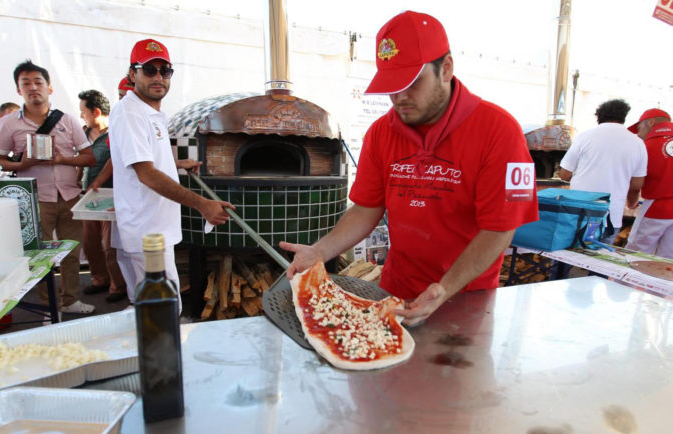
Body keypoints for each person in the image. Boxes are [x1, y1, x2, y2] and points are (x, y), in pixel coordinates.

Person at [280, 11, 539, 326]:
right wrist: (320, 251)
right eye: (391, 85)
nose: (400, 98)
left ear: (445, 68)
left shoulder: (500, 131)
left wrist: (443, 290)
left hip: (466, 298)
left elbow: (499, 229)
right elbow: (366, 208)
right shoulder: (381, 132)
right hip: (394, 293)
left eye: (412, 83)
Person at [109, 38, 233, 306]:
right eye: (149, 70)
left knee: (154, 310)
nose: (158, 77)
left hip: (157, 228)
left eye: (165, 71)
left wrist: (177, 164)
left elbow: (145, 158)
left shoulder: (150, 112)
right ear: (133, 74)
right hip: (147, 232)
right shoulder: (129, 112)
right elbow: (146, 174)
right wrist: (202, 204)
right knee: (163, 311)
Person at [0, 60, 97, 314]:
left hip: (68, 194)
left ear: (49, 88)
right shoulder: (9, 124)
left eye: (38, 82)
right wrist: (23, 163)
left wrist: (62, 159)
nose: (33, 87)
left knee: (72, 251)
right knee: (39, 257)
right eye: (25, 83)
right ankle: (48, 307)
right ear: (18, 90)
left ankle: (70, 301)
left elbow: (89, 157)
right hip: (34, 198)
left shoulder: (68, 120)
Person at [558, 99, 648, 244]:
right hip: (610, 215)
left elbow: (565, 174)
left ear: (598, 116)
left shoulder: (584, 137)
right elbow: (637, 184)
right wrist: (632, 203)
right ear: (624, 117)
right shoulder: (637, 143)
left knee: (566, 257)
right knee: (600, 261)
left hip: (578, 212)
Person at [78, 89, 127, 303]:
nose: (82, 116)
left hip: (112, 195)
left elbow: (115, 162)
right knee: (90, 243)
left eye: (84, 112)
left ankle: (118, 286)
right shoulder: (82, 134)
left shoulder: (116, 132)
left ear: (96, 112)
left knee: (110, 245)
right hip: (89, 197)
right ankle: (100, 279)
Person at [625, 108, 673, 258]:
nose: (638, 133)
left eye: (640, 127)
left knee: (636, 253)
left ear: (651, 123)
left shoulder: (645, 147)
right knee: (668, 259)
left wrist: (631, 201)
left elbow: (636, 183)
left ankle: (625, 283)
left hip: (656, 207)